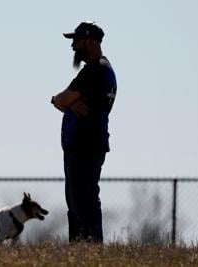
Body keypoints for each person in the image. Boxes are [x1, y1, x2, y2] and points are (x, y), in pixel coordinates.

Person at [51, 21, 117, 243]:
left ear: (89, 41)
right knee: (76, 200)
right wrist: (65, 102)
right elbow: (64, 101)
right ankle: (80, 248)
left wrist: (61, 101)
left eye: (76, 41)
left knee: (83, 200)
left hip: (85, 145)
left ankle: (90, 247)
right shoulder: (100, 69)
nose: (73, 46)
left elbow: (62, 99)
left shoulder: (94, 70)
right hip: (83, 145)